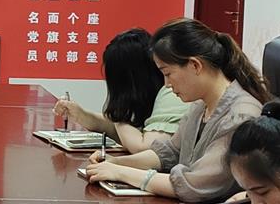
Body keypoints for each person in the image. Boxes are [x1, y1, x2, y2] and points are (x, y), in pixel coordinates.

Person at [82, 19, 266, 201]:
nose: (167, 84)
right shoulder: (200, 105)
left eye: (168, 73)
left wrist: (121, 172)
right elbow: (169, 153)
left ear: (195, 65)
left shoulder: (241, 115)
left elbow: (194, 185)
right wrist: (116, 162)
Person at [53, 26, 188, 155]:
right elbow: (119, 129)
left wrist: (118, 112)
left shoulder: (172, 92)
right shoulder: (151, 94)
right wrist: (80, 114)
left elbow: (145, 148)